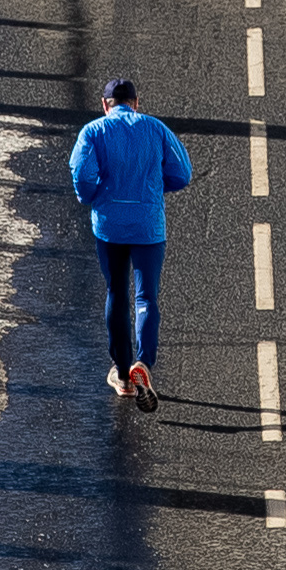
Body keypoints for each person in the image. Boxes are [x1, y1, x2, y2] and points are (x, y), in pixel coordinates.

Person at [70, 78, 192, 411]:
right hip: (148, 226)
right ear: (137, 102)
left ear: (104, 103)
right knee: (146, 297)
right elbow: (183, 173)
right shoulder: (156, 129)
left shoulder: (93, 132)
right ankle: (144, 363)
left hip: (109, 227)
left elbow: (81, 176)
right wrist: (150, 190)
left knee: (116, 294)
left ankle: (123, 375)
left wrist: (96, 198)